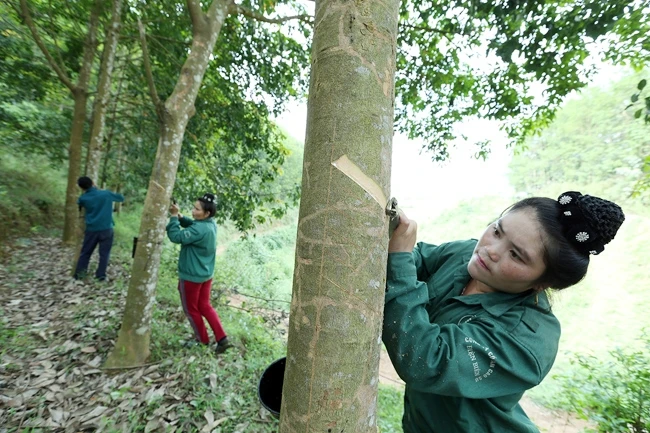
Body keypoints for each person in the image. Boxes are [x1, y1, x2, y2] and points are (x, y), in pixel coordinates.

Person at [383, 191, 625, 433]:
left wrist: (400, 260)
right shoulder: (465, 255)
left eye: (516, 255)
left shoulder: (527, 340)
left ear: (542, 282)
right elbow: (410, 263)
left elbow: (426, 360)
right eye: (497, 231)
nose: (491, 250)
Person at [166, 193, 232, 355]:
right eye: (194, 208)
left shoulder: (199, 229)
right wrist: (181, 217)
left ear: (206, 213)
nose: (193, 211)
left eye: (197, 209)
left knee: (191, 310)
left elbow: (176, 236)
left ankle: (201, 340)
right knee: (204, 306)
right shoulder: (210, 224)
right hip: (205, 275)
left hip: (192, 277)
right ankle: (222, 339)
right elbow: (193, 225)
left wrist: (174, 218)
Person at [74, 176, 125, 281]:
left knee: (86, 253)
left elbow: (79, 205)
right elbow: (121, 198)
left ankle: (79, 275)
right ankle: (101, 276)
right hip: (106, 229)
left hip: (92, 229)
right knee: (104, 254)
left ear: (82, 188)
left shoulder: (83, 198)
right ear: (93, 183)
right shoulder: (105, 194)